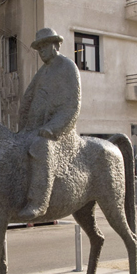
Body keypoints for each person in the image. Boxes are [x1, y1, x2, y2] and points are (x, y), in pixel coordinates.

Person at [17, 28, 81, 220]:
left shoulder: (68, 67)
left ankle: (39, 201)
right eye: (39, 48)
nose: (41, 51)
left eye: (45, 45)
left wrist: (53, 128)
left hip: (58, 131)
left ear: (55, 45)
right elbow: (28, 99)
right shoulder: (43, 71)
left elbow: (72, 105)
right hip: (35, 129)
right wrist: (23, 128)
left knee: (41, 147)